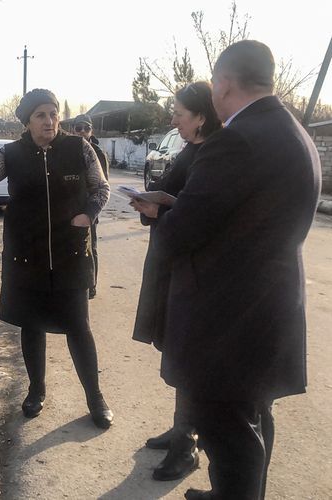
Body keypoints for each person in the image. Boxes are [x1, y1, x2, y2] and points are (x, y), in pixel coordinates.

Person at [134, 41, 320, 499]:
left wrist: (163, 213)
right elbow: (242, 218)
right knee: (253, 420)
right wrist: (179, 206)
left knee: (228, 436)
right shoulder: (294, 132)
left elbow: (180, 235)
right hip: (269, 307)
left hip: (228, 321)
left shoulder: (236, 140)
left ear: (223, 83)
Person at [0, 89, 113, 428]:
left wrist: (87, 215)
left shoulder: (79, 148)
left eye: (53, 114)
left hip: (70, 252)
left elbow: (101, 188)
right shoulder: (11, 153)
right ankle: (36, 390)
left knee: (79, 327)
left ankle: (96, 397)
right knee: (31, 325)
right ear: (27, 121)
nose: (49, 121)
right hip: (26, 254)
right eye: (40, 115)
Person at [130, 81, 221, 482]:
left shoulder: (213, 154)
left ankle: (187, 446)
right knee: (175, 349)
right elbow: (173, 195)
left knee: (186, 357)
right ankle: (182, 428)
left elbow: (201, 220)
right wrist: (150, 203)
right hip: (169, 263)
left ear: (200, 116)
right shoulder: (189, 149)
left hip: (189, 271)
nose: (172, 121)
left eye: (179, 114)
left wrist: (160, 210)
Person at [73, 114, 109, 299]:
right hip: (71, 208)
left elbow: (103, 184)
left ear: (91, 131)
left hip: (89, 207)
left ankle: (91, 285)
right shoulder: (68, 150)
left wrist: (92, 210)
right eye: (78, 128)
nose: (82, 131)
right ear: (73, 130)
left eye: (86, 128)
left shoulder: (97, 153)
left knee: (91, 247)